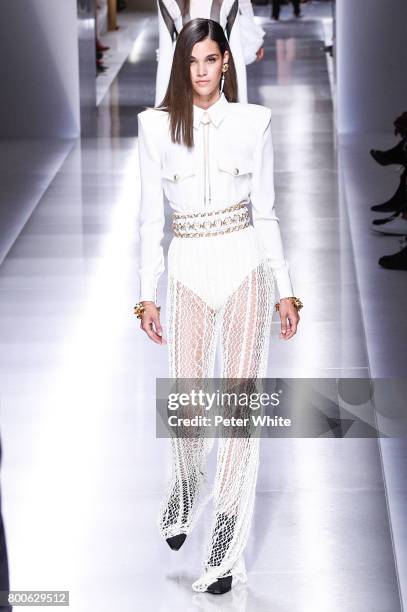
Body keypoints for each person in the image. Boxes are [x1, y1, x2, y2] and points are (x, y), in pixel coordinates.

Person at [135, 18, 302, 594]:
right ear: (182, 66)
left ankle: (224, 550)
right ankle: (183, 489)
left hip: (244, 272)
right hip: (185, 272)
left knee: (237, 419)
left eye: (211, 60)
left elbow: (269, 210)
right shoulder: (155, 128)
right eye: (193, 62)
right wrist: (144, 293)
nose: (202, 71)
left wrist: (284, 287)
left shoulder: (254, 122)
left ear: (226, 62)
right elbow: (148, 219)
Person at [155, 0, 265, 106]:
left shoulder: (228, 2)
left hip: (219, 86)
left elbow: (236, 55)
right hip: (184, 85)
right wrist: (158, 110)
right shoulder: (168, 2)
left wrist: (243, 106)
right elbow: (165, 57)